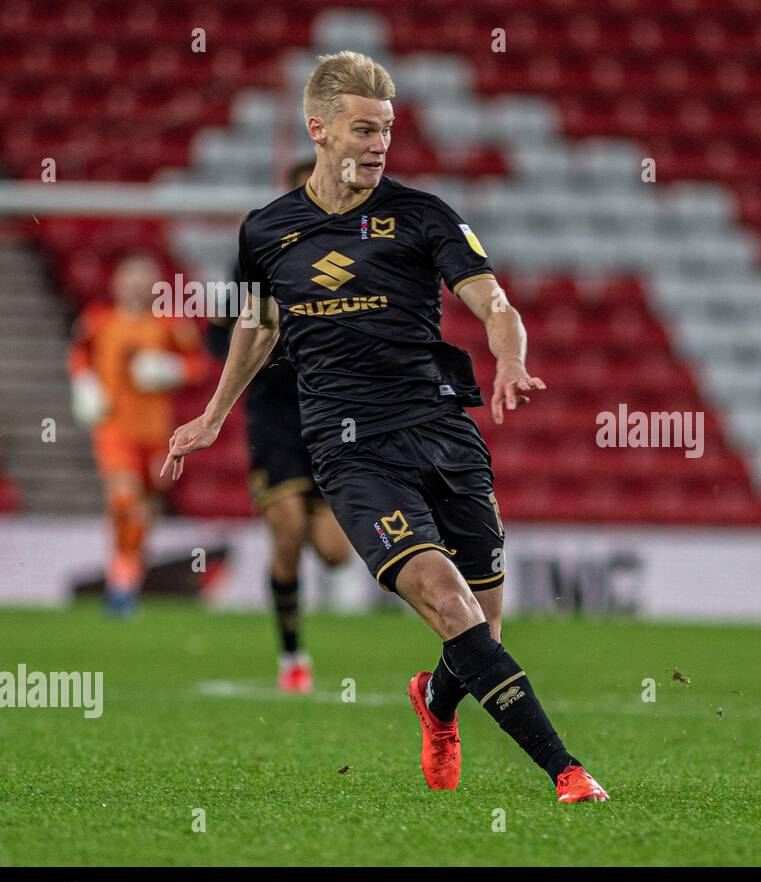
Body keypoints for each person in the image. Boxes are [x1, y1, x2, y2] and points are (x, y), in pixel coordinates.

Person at [163, 51, 607, 802]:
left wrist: (509, 358)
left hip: (441, 430)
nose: (378, 144)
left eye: (388, 130)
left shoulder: (423, 214)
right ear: (319, 130)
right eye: (364, 129)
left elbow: (495, 303)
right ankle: (567, 771)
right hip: (350, 448)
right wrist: (213, 414)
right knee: (448, 603)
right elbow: (258, 326)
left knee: (480, 636)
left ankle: (435, 703)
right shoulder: (266, 231)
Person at [205, 158, 352, 694]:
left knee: (336, 554)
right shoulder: (261, 249)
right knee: (286, 530)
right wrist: (252, 357)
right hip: (274, 416)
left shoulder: (352, 258)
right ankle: (292, 655)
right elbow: (220, 331)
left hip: (334, 416)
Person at [69, 251, 205, 616]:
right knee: (124, 500)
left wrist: (173, 368)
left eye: (145, 277)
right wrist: (84, 383)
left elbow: (200, 365)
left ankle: (124, 581)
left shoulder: (170, 323)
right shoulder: (99, 320)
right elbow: (79, 355)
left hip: (156, 434)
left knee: (144, 511)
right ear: (117, 282)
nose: (137, 284)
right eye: (131, 276)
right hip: (115, 430)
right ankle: (121, 584)